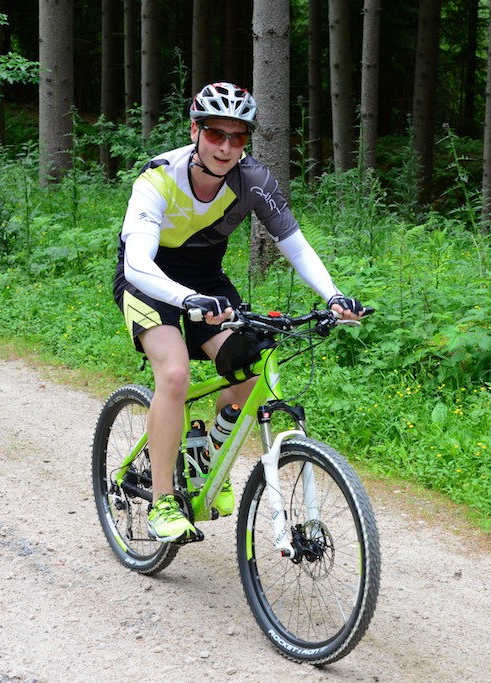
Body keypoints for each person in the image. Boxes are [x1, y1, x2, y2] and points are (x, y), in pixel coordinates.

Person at [113, 81, 365, 543]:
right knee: (175, 374)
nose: (226, 147)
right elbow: (137, 263)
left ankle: (205, 457)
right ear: (195, 131)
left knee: (249, 372)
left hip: (206, 281)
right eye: (215, 134)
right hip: (147, 280)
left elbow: (295, 245)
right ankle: (163, 501)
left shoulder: (253, 181)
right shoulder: (158, 178)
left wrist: (334, 295)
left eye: (238, 137)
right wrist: (185, 300)